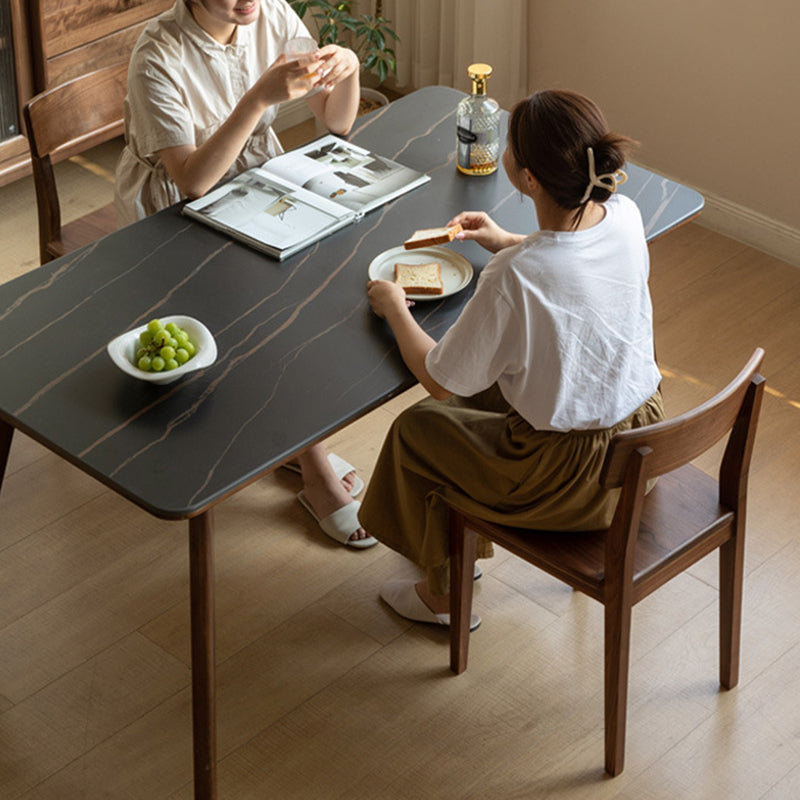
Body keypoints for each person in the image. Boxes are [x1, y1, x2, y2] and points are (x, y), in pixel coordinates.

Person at [362, 89, 665, 628]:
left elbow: (438, 378)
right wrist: (508, 240)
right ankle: (456, 552)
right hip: (642, 447)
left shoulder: (517, 276)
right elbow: (571, 263)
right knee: (486, 393)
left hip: (569, 480)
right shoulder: (623, 213)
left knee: (418, 429)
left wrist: (392, 306)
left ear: (526, 178)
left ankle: (444, 598)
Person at [115, 0, 374, 546]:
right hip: (172, 219)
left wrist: (347, 68)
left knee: (328, 276)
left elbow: (338, 120)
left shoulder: (271, 14)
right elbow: (193, 180)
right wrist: (259, 97)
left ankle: (296, 444)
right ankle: (314, 464)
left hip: (258, 186)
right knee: (277, 301)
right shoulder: (157, 53)